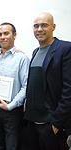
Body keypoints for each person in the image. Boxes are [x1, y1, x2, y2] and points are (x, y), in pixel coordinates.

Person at [24, 12, 71, 150]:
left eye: (44, 25)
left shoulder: (65, 49)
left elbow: (69, 90)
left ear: (53, 27)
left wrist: (56, 123)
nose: (39, 29)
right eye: (36, 26)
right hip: (32, 121)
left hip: (51, 123)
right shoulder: (34, 52)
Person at [0, 22, 30, 150]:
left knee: (12, 146)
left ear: (14, 35)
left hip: (12, 111)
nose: (2, 37)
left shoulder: (22, 58)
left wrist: (10, 106)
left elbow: (26, 86)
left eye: (6, 33)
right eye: (0, 34)